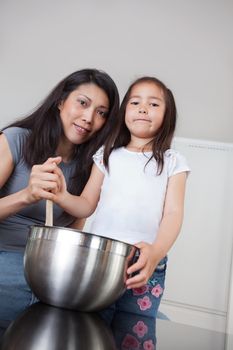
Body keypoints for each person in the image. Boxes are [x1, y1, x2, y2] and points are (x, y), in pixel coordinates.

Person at [50, 75, 190, 345]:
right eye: (135, 102)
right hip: (101, 259)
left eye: (153, 104)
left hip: (144, 262)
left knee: (134, 334)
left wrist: (155, 253)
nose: (143, 108)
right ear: (124, 110)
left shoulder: (173, 162)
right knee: (91, 329)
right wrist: (62, 196)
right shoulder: (107, 155)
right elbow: (86, 204)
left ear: (167, 114)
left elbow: (173, 214)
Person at [0, 68, 120, 324]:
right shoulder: (15, 140)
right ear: (61, 101)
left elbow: (75, 229)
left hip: (56, 274)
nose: (89, 118)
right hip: (6, 260)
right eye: (83, 103)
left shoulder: (92, 166)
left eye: (101, 113)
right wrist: (27, 195)